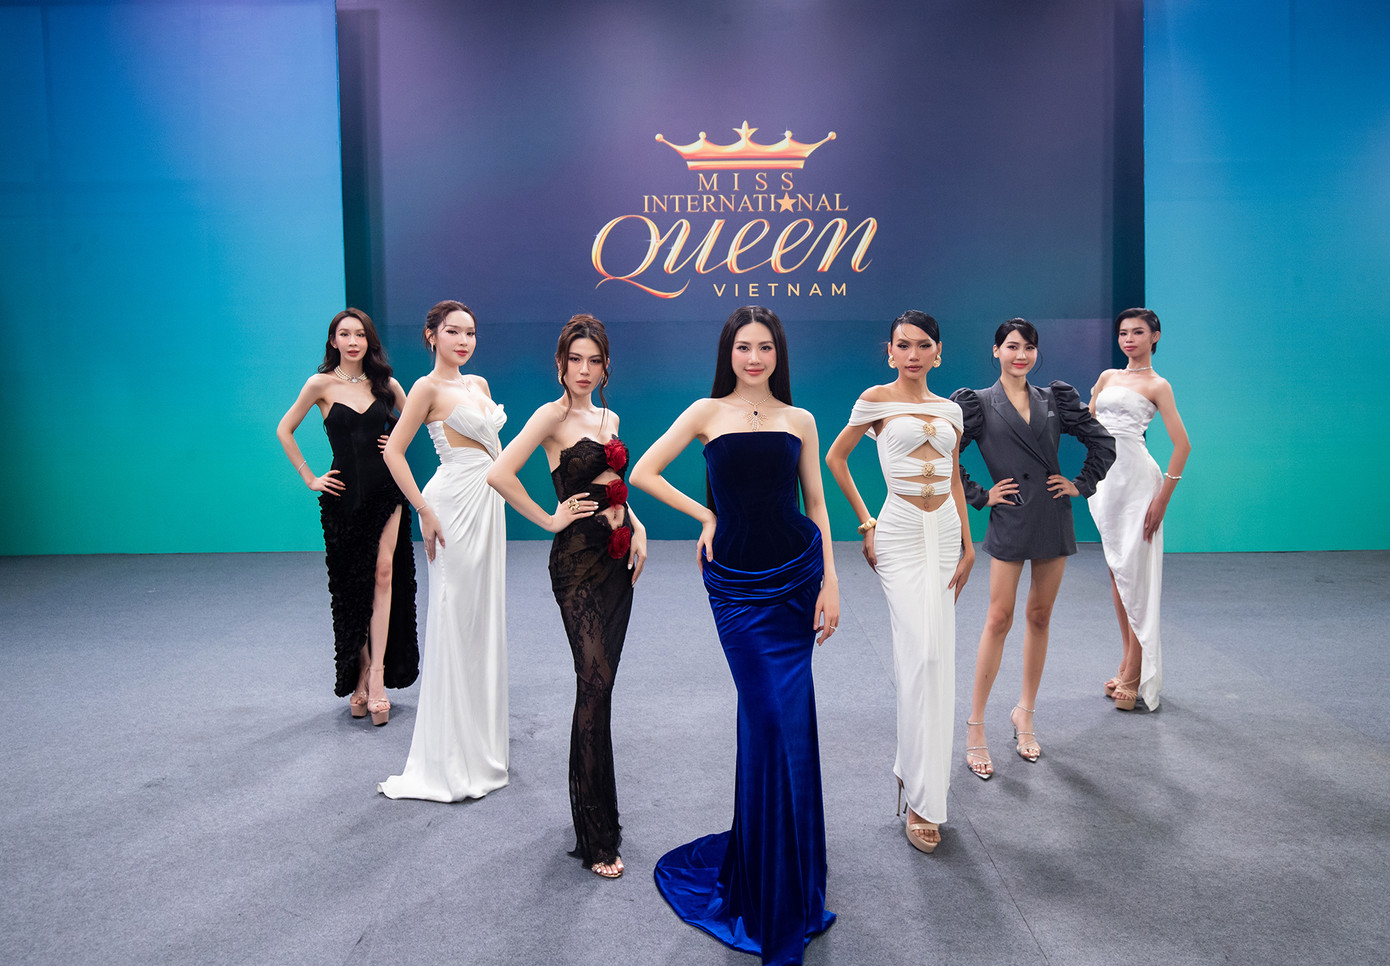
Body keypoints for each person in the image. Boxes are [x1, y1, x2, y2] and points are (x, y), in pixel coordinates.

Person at [632, 305, 838, 966]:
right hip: (737, 586)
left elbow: (816, 504)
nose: (755, 357)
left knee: (790, 725)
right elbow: (643, 472)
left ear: (779, 353)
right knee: (767, 719)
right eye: (744, 347)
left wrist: (831, 582)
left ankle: (788, 872)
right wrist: (707, 517)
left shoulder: (799, 419)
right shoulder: (706, 411)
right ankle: (763, 878)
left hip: (797, 574)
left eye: (765, 347)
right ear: (730, 352)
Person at [486, 314, 647, 878]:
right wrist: (550, 519)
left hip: (616, 560)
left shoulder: (608, 417)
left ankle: (597, 813)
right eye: (575, 359)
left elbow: (613, 487)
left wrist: (636, 525)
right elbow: (499, 474)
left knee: (601, 689)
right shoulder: (549, 417)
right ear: (560, 363)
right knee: (594, 682)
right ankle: (596, 835)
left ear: (606, 366)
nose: (584, 370)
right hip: (576, 563)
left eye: (594, 360)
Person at [825, 310, 974, 854]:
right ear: (889, 351)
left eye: (923, 345)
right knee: (920, 656)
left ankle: (921, 787)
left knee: (940, 658)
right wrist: (866, 522)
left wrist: (969, 542)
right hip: (900, 532)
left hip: (946, 534)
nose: (913, 354)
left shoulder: (952, 410)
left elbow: (953, 476)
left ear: (939, 352)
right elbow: (835, 458)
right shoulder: (875, 400)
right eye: (903, 345)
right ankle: (916, 788)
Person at [951, 319, 1115, 776]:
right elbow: (945, 454)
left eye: (1028, 347)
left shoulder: (1055, 398)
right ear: (996, 351)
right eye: (1011, 346)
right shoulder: (977, 403)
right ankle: (975, 725)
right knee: (998, 618)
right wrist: (981, 495)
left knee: (1040, 616)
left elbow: (1103, 441)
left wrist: (1081, 483)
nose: (1020, 355)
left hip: (1051, 514)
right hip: (1011, 514)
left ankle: (1025, 713)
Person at [377, 300, 508, 800]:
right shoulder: (425, 389)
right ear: (432, 335)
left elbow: (495, 454)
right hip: (450, 506)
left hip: (488, 504)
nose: (463, 341)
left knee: (482, 616)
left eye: (470, 332)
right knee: (455, 614)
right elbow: (393, 451)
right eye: (453, 331)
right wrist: (423, 510)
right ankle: (450, 754)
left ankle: (479, 741)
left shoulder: (479, 385)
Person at [276, 308, 418, 725]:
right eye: (345, 334)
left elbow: (419, 421)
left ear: (369, 340)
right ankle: (361, 670)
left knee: (384, 572)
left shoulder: (387, 385)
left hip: (386, 490)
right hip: (342, 496)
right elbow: (284, 429)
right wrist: (310, 477)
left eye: (360, 334)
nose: (353, 341)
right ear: (333, 340)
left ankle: (378, 677)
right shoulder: (319, 384)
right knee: (353, 585)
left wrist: (396, 441)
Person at [1087, 308, 1190, 712]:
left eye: (1138, 332)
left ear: (1155, 336)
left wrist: (1162, 499)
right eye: (1123, 333)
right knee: (1118, 572)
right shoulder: (1107, 377)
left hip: (1137, 484)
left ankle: (1134, 671)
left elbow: (1183, 445)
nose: (1129, 339)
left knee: (1136, 576)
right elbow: (1087, 423)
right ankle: (1130, 659)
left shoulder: (1158, 385)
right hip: (1106, 483)